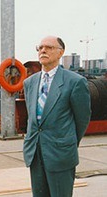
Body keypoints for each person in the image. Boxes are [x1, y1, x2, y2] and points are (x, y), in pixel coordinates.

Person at [23, 36, 91, 197]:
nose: (43, 51)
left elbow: (82, 119)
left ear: (61, 53)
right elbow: (32, 118)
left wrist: (67, 142)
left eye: (48, 47)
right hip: (35, 152)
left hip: (60, 154)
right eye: (40, 48)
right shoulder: (30, 83)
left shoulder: (75, 82)